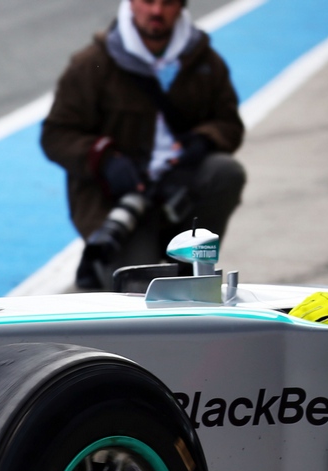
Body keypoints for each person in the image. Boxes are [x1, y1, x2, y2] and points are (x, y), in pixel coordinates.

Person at [41, 0, 247, 289]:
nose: (156, 11)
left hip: (180, 186)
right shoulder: (92, 64)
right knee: (139, 295)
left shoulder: (204, 62)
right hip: (114, 199)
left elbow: (229, 124)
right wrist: (105, 160)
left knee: (225, 172)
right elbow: (55, 134)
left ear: (182, 6)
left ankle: (190, 265)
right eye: (147, 1)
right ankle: (104, 262)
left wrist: (202, 140)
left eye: (167, 2)